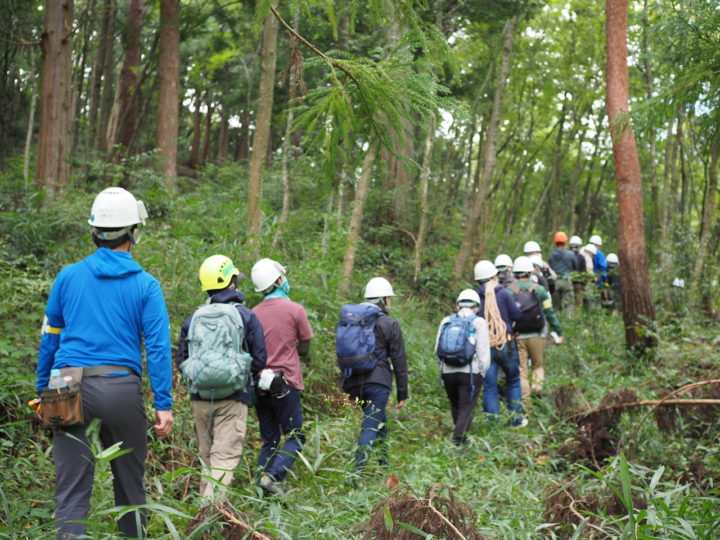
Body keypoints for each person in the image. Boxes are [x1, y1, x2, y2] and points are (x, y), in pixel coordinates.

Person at [35, 187, 173, 538]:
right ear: (133, 232)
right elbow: (157, 348)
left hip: (64, 383)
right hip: (118, 385)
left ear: (93, 231)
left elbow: (50, 339)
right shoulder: (146, 285)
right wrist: (164, 404)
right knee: (130, 486)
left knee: (70, 491)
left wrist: (42, 392)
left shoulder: (67, 277)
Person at [177, 255, 267, 502]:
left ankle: (203, 514)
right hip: (233, 397)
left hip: (199, 399)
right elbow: (260, 358)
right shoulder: (245, 316)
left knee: (207, 456)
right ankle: (208, 517)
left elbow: (182, 359)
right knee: (224, 458)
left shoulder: (193, 318)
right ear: (231, 283)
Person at [250, 258, 314, 495]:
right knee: (296, 436)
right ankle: (272, 477)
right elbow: (306, 345)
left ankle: (260, 488)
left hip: (260, 385)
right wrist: (298, 351)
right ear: (278, 280)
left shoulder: (253, 313)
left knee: (270, 440)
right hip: (285, 384)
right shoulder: (295, 310)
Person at [342, 277, 409, 470]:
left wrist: (344, 384)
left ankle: (383, 462)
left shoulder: (353, 321)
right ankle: (357, 471)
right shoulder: (388, 323)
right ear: (384, 300)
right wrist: (402, 393)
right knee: (371, 424)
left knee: (380, 420)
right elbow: (399, 360)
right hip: (377, 382)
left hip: (353, 381)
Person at [434, 289, 490, 447]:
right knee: (466, 406)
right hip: (470, 373)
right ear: (476, 307)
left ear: (458, 305)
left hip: (448, 371)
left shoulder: (446, 321)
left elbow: (437, 349)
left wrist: (444, 367)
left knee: (456, 404)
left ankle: (462, 437)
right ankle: (458, 440)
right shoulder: (478, 322)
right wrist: (482, 372)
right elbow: (483, 351)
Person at [474, 260, 526, 427]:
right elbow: (517, 315)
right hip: (506, 343)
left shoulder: (475, 296)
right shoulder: (502, 293)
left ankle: (492, 425)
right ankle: (515, 420)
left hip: (485, 347)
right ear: (494, 276)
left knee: (489, 386)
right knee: (513, 380)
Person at [509, 256, 563, 405]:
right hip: (537, 335)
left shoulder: (509, 291)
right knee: (538, 365)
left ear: (514, 273)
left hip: (517, 335)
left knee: (522, 370)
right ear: (530, 272)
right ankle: (537, 389)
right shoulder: (539, 290)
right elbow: (549, 312)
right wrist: (558, 331)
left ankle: (526, 404)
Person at [547, 231, 578, 312]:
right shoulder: (571, 254)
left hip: (555, 282)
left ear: (555, 242)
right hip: (567, 281)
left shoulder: (551, 255)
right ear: (565, 242)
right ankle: (568, 322)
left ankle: (555, 322)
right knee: (568, 305)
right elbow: (576, 267)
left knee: (555, 306)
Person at [568, 235, 587, 308]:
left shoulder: (567, 256)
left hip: (569, 282)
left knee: (569, 303)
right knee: (578, 303)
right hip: (578, 283)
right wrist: (584, 284)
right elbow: (583, 272)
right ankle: (577, 318)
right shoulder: (581, 257)